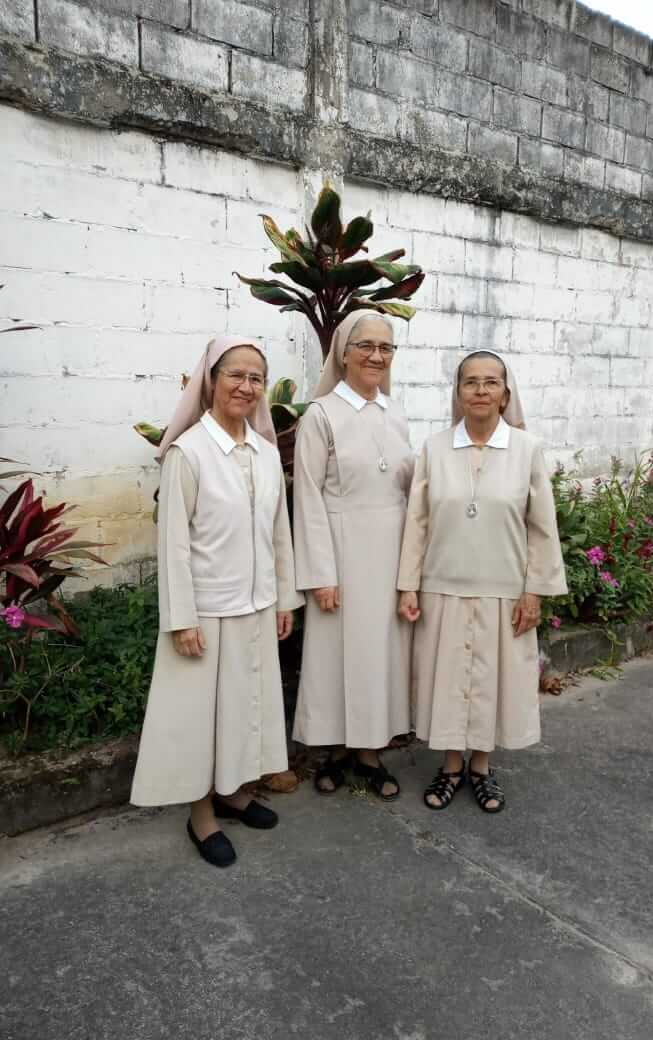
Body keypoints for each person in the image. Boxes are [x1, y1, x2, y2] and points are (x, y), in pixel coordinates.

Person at [130, 336, 303, 867]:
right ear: (211, 380)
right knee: (200, 718)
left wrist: (284, 601)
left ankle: (232, 792)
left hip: (254, 606)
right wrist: (181, 618)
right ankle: (201, 814)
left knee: (244, 708)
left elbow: (280, 535)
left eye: (256, 377)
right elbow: (174, 545)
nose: (247, 386)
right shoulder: (189, 453)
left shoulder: (268, 455)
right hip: (204, 610)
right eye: (236, 375)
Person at [397, 350, 566, 813]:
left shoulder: (526, 449)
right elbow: (418, 521)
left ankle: (482, 769)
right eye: (470, 382)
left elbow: (541, 525)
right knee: (450, 679)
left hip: (504, 586)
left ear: (506, 393)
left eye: (491, 383)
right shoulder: (434, 448)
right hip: (443, 584)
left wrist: (534, 591)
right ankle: (451, 766)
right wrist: (408, 584)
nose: (480, 391)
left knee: (495, 680)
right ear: (458, 392)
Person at [292, 312, 414, 799]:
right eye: (366, 346)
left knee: (380, 654)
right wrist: (321, 573)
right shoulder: (320, 415)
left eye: (386, 348)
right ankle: (337, 751)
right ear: (343, 353)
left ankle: (371, 751)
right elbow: (307, 498)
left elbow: (409, 492)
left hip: (389, 555)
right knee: (336, 656)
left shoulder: (396, 412)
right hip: (340, 554)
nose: (376, 356)